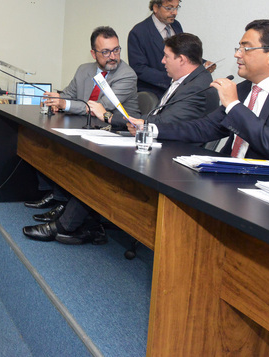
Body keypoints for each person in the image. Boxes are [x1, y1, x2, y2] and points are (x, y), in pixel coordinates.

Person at [23, 33, 215, 245]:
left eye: (166, 56)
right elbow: (158, 118)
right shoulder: (186, 81)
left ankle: (65, 225)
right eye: (106, 51)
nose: (162, 61)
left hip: (172, 156)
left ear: (182, 59)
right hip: (153, 140)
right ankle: (78, 218)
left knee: (100, 164)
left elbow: (163, 122)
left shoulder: (197, 86)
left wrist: (125, 121)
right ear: (94, 53)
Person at [139, 19, 269, 182]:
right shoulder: (245, 88)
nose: (237, 54)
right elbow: (203, 128)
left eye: (246, 48)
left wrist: (234, 106)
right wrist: (150, 129)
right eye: (238, 47)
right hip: (238, 180)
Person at [43, 26, 140, 121]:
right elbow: (68, 95)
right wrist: (54, 101)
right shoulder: (83, 70)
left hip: (118, 128)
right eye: (105, 52)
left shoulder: (127, 75)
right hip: (85, 123)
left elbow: (100, 107)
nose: (113, 56)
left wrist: (64, 104)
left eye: (116, 50)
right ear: (93, 54)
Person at [127, 0, 185, 98]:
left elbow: (183, 52)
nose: (175, 12)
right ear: (155, 8)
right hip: (154, 93)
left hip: (178, 90)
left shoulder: (176, 26)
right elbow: (139, 68)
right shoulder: (139, 32)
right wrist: (171, 79)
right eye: (169, 8)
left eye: (176, 8)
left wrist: (203, 63)